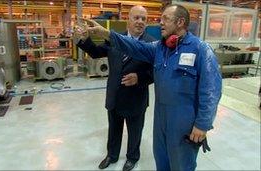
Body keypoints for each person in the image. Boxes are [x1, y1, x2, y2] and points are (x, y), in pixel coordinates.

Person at [76, 4, 222, 171]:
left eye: (165, 19)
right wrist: (106, 33)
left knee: (181, 163)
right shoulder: (160, 48)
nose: (160, 23)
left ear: (180, 22)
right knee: (161, 159)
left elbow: (211, 90)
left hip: (184, 119)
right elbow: (134, 46)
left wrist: (203, 124)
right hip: (160, 117)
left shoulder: (200, 49)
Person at [74, 5, 155, 171]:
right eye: (136, 18)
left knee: (135, 131)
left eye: (143, 19)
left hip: (136, 97)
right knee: (114, 129)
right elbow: (97, 53)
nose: (140, 22)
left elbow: (156, 72)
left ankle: (132, 157)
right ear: (128, 20)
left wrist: (140, 78)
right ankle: (112, 155)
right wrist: (83, 40)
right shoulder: (115, 38)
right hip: (115, 95)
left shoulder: (152, 44)